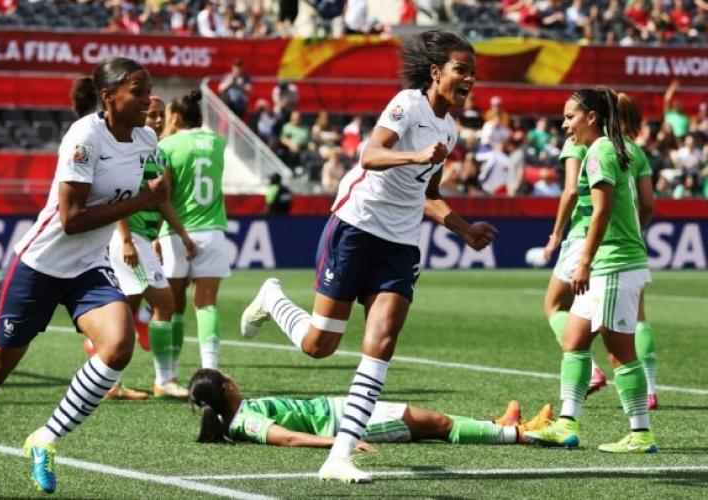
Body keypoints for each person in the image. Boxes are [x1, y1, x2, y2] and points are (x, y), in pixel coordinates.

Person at [239, 30, 496, 483]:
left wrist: (463, 228)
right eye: (462, 69)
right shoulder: (407, 105)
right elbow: (370, 154)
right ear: (436, 73)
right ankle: (272, 297)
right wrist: (415, 154)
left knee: (382, 341)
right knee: (319, 345)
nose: (470, 78)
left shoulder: (451, 130)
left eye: (473, 72)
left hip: (400, 242)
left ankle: (339, 455)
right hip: (356, 226)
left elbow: (428, 194)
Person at [0, 57, 170, 499]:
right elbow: (72, 219)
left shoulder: (147, 140)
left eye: (148, 89)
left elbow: (148, 194)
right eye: (138, 91)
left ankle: (45, 438)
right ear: (108, 98)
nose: (148, 99)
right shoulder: (84, 137)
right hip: (39, 265)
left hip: (88, 268)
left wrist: (165, 221)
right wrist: (143, 202)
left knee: (119, 346)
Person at [524, 88, 657, 453]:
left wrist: (582, 262)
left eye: (570, 116)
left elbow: (600, 212)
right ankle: (566, 425)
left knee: (619, 352)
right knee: (573, 339)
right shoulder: (607, 148)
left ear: (592, 117)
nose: (565, 124)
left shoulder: (599, 151)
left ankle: (641, 433)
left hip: (613, 264)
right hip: (605, 264)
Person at [188, 369, 553, 448]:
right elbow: (288, 439)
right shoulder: (244, 421)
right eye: (227, 375)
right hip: (348, 421)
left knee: (432, 419)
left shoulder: (235, 414)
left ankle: (497, 425)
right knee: (439, 423)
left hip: (342, 410)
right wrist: (342, 442)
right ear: (226, 387)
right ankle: (523, 435)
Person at [104, 94, 197, 400]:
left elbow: (163, 201)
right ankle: (164, 379)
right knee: (166, 303)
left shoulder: (158, 154)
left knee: (126, 313)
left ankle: (108, 383)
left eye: (160, 115)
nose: (156, 121)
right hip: (128, 238)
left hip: (143, 238)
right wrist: (128, 240)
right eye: (150, 115)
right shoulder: (130, 152)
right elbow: (116, 197)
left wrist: (180, 234)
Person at [158, 90, 229, 372]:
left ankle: (168, 373)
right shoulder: (218, 143)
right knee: (207, 304)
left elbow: (164, 195)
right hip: (212, 231)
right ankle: (209, 369)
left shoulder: (168, 145)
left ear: (175, 117)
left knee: (171, 307)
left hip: (176, 231)